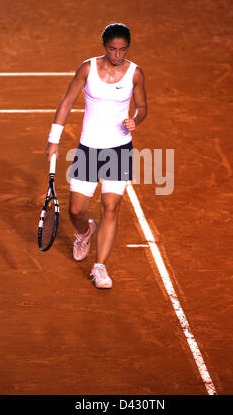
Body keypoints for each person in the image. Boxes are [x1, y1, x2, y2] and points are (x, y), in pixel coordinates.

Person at [46, 22, 147, 289]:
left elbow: (143, 105)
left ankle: (100, 267)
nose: (117, 55)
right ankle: (85, 232)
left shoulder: (135, 74)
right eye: (113, 49)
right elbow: (67, 102)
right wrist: (53, 140)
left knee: (110, 207)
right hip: (89, 149)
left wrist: (136, 119)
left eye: (123, 50)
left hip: (119, 149)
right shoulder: (87, 69)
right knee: (76, 210)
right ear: (105, 47)